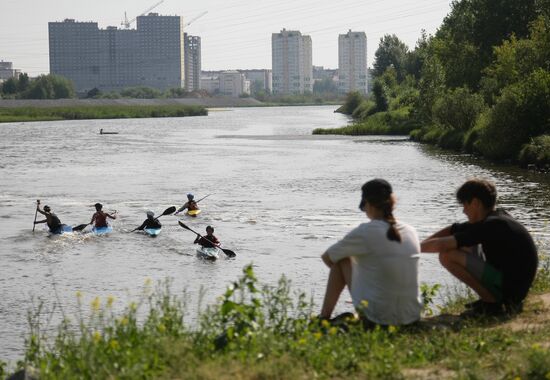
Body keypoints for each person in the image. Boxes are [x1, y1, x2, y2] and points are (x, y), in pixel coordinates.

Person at [421, 179, 538, 316]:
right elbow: (453, 229)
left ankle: (492, 304)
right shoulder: (496, 218)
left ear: (475, 203)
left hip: (512, 290)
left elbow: (441, 245)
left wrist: (410, 249)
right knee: (463, 246)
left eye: (465, 205)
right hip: (515, 283)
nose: (464, 210)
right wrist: (421, 244)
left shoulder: (492, 225)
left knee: (448, 255)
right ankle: (491, 300)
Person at [319, 179, 422, 328]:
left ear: (367, 203)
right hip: (412, 316)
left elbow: (327, 257)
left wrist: (358, 284)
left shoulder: (365, 232)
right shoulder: (411, 230)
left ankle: (323, 318)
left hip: (379, 319)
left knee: (340, 260)